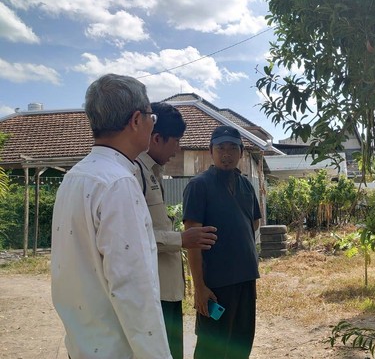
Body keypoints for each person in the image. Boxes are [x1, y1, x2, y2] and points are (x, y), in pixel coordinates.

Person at [50, 73, 172, 359]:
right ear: (136, 120)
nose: (153, 123)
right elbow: (133, 288)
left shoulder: (75, 177)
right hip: (115, 350)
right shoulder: (118, 184)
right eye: (151, 117)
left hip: (81, 343)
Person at [134, 102, 217, 359]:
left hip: (168, 290)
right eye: (176, 142)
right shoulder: (133, 174)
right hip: (153, 292)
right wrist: (181, 239)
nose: (177, 149)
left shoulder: (153, 173)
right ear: (157, 138)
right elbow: (133, 236)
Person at [183, 125, 262, 359]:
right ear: (211, 151)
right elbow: (192, 241)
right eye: (220, 148)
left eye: (232, 148)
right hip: (216, 286)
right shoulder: (199, 186)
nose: (226, 154)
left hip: (246, 280)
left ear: (241, 152)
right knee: (212, 348)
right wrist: (199, 287)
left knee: (241, 343)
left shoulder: (246, 185)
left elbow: (254, 223)